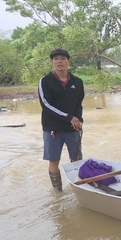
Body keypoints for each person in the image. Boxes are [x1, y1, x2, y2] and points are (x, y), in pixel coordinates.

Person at [39, 48, 84, 190]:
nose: (60, 61)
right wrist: (69, 117)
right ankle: (58, 192)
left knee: (77, 160)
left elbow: (79, 103)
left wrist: (79, 119)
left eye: (63, 58)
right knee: (54, 161)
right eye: (56, 58)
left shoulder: (78, 82)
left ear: (68, 62)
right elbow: (46, 105)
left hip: (72, 128)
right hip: (53, 128)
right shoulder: (45, 81)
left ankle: (79, 189)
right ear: (52, 62)